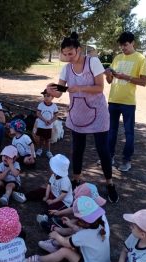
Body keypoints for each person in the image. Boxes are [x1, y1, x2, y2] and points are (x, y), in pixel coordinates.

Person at [46, 32, 118, 203]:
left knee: (103, 150)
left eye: (71, 53)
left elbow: (100, 88)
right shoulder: (66, 69)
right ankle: (76, 179)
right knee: (77, 148)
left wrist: (78, 88)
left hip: (97, 113)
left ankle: (110, 183)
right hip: (77, 113)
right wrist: (51, 91)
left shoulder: (92, 61)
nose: (68, 57)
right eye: (65, 54)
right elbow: (60, 92)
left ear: (78, 49)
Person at [104, 32, 146, 172]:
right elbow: (110, 81)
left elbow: (143, 82)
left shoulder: (140, 58)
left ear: (132, 43)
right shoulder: (117, 57)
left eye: (126, 45)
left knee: (129, 133)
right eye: (121, 45)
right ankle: (109, 157)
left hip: (128, 102)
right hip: (113, 100)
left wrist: (126, 77)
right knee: (111, 131)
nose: (123, 48)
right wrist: (108, 74)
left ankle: (126, 160)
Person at [27, 196, 111, 262]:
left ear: (85, 222)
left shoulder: (85, 234)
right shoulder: (101, 226)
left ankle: (39, 260)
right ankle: (54, 245)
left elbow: (66, 242)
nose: (77, 219)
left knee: (65, 251)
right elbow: (80, 232)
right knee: (74, 242)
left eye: (78, 219)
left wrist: (56, 235)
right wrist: (70, 224)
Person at [35, 89, 59, 159]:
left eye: (48, 96)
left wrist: (50, 121)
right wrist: (45, 120)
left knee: (48, 139)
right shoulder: (41, 105)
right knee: (41, 138)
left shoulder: (54, 106)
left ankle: (48, 151)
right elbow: (38, 114)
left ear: (52, 97)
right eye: (44, 96)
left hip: (49, 127)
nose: (46, 97)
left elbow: (56, 116)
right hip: (41, 125)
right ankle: (40, 149)